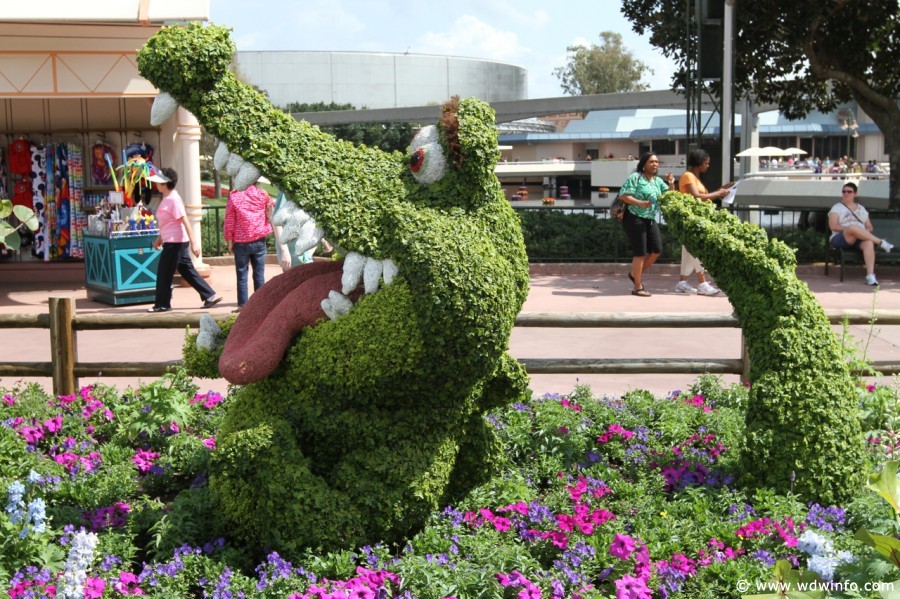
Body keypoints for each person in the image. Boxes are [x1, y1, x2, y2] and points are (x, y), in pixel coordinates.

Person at [147, 167, 222, 312]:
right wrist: (160, 238)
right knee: (187, 270)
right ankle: (209, 295)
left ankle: (162, 304)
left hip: (176, 243)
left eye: (159, 182)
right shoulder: (168, 198)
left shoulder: (173, 199)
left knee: (164, 272)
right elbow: (168, 222)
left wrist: (194, 243)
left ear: (165, 184)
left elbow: (185, 221)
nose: (156, 184)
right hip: (173, 240)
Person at [618, 152, 674, 297]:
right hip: (634, 218)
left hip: (649, 218)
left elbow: (670, 197)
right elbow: (623, 196)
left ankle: (634, 274)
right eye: (651, 162)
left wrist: (671, 183)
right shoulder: (635, 177)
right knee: (640, 253)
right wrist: (640, 203)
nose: (655, 164)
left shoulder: (657, 181)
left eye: (656, 162)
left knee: (656, 250)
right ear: (644, 164)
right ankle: (638, 287)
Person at [675, 149, 727, 296]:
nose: (708, 166)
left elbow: (703, 197)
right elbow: (697, 196)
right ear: (698, 163)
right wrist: (718, 193)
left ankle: (682, 282)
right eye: (706, 163)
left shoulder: (693, 177)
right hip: (691, 219)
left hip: (695, 219)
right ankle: (702, 283)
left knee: (688, 252)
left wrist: (719, 192)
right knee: (697, 251)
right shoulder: (688, 176)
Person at [828, 181, 894, 286]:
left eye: (849, 191)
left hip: (858, 238)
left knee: (868, 243)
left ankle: (870, 276)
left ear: (855, 193)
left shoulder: (861, 209)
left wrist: (861, 232)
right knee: (853, 228)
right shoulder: (836, 208)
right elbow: (833, 226)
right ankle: (881, 242)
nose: (846, 194)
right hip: (841, 237)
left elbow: (869, 226)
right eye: (844, 191)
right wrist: (851, 229)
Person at [224, 181, 275, 311]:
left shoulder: (234, 196)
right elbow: (271, 208)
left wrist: (230, 240)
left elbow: (230, 219)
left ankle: (243, 305)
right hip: (259, 239)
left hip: (241, 242)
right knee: (259, 274)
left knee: (241, 275)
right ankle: (260, 304)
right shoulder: (262, 194)